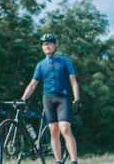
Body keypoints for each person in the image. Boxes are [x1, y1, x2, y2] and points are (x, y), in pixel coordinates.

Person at [20, 33, 80, 164]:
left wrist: (76, 99)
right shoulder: (40, 65)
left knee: (65, 128)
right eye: (44, 44)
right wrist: (23, 99)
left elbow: (73, 81)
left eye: (49, 43)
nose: (46, 46)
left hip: (63, 98)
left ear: (55, 45)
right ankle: (58, 161)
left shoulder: (65, 61)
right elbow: (33, 84)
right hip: (48, 99)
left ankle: (74, 161)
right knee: (53, 131)